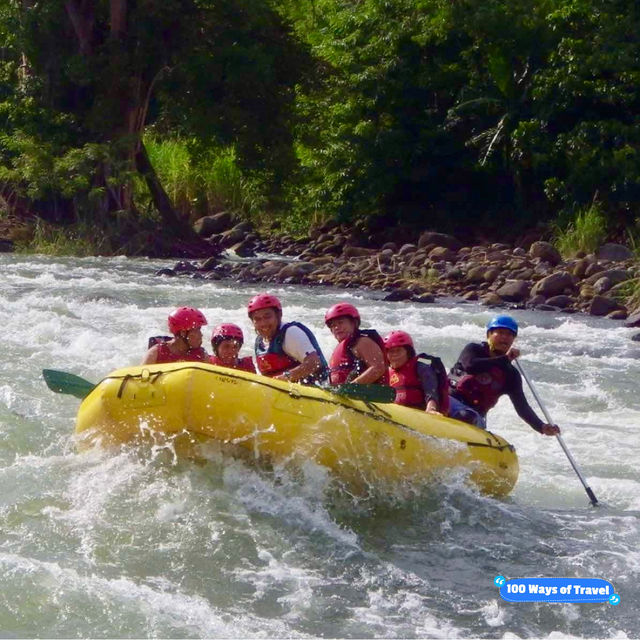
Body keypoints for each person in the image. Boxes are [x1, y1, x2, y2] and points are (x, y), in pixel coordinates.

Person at [448, 315, 560, 435]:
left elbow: (522, 407)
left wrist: (541, 427)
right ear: (489, 335)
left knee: (466, 416)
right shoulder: (473, 350)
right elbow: (470, 366)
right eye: (500, 333)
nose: (505, 338)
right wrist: (504, 359)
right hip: (449, 400)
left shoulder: (511, 374)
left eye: (510, 335)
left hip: (473, 414)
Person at [248, 293, 328, 384]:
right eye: (257, 319)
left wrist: (282, 379)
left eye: (267, 317)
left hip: (314, 390)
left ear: (279, 315)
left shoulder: (290, 333)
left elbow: (314, 363)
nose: (263, 323)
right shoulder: (259, 342)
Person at [383, 330, 449, 414]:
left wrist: (431, 408)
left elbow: (431, 391)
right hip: (397, 412)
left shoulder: (421, 367)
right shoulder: (386, 371)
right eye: (391, 351)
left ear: (408, 352)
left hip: (419, 411)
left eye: (398, 350)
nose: (395, 355)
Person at [324, 302, 387, 385]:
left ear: (354, 323)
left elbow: (378, 368)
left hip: (366, 395)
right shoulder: (342, 347)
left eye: (341, 322)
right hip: (343, 394)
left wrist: (350, 388)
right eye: (333, 325)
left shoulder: (362, 342)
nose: (336, 327)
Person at [142, 307, 209, 364]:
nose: (201, 335)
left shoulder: (202, 355)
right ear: (183, 332)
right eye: (197, 330)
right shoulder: (155, 353)